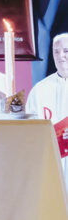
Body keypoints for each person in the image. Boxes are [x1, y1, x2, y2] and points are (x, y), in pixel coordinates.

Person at [26, 33, 68, 191]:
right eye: (56, 51)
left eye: (66, 51)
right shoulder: (40, 90)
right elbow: (30, 129)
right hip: (51, 161)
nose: (60, 56)